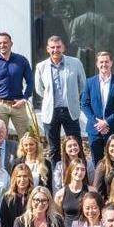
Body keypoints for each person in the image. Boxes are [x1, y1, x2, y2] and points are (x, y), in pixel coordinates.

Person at [34, 35, 86, 170]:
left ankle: (80, 174)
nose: (55, 50)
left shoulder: (75, 63)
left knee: (76, 146)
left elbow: (82, 85)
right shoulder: (41, 67)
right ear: (47, 49)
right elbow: (39, 89)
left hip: (70, 111)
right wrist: (50, 99)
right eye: (52, 47)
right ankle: (55, 177)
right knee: (53, 149)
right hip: (51, 112)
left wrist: (73, 97)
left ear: (63, 48)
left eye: (58, 47)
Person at [80, 50, 114, 166]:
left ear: (111, 63)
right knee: (97, 163)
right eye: (101, 62)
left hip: (113, 129)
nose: (104, 64)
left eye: (106, 62)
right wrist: (98, 123)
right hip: (94, 130)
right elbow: (84, 104)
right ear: (97, 64)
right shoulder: (89, 82)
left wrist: (106, 122)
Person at [0, 31, 34, 138]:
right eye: (0, 43)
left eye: (5, 42)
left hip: (18, 105)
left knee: (26, 137)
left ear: (11, 44)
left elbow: (30, 82)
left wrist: (25, 99)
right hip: (0, 106)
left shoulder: (22, 61)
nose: (2, 45)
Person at [0, 163, 32, 227]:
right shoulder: (7, 198)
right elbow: (4, 222)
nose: (22, 179)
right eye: (19, 176)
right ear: (14, 178)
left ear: (29, 178)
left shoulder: (33, 196)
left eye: (25, 176)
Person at [54, 158, 88, 227]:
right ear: (70, 171)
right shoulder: (60, 194)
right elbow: (59, 218)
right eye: (77, 169)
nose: (80, 172)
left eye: (83, 169)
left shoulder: (91, 191)